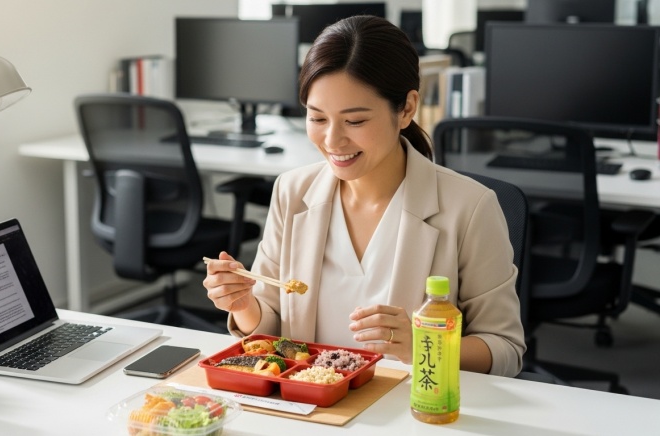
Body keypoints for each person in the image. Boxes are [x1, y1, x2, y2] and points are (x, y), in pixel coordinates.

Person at [203, 15, 525, 377]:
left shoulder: (469, 207)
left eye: (354, 121)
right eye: (317, 118)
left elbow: (505, 349)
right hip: (311, 408)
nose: (332, 141)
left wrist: (425, 344)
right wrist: (244, 304)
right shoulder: (293, 192)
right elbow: (274, 331)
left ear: (406, 109)